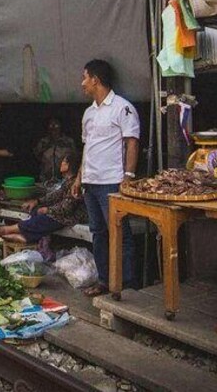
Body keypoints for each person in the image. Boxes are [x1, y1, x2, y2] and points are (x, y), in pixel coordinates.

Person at [71, 59, 139, 297]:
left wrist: (128, 176)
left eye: (84, 78)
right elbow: (87, 147)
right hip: (91, 182)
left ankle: (128, 284)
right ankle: (104, 281)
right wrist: (79, 177)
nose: (82, 84)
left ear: (95, 80)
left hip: (112, 181)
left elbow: (132, 142)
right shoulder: (89, 113)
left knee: (120, 233)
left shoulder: (122, 107)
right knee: (98, 233)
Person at [0, 153, 87, 243]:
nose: (61, 163)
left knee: (45, 219)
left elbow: (67, 208)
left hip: (71, 216)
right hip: (62, 211)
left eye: (63, 161)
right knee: (35, 211)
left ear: (68, 166)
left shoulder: (76, 184)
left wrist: (48, 210)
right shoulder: (68, 181)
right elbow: (56, 195)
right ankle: (26, 236)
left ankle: (7, 230)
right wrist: (37, 201)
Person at [34, 117, 76, 182]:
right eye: (51, 125)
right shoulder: (43, 142)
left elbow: (75, 156)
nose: (54, 128)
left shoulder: (68, 142)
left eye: (56, 125)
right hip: (45, 179)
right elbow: (37, 156)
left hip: (64, 178)